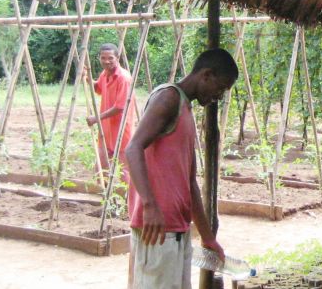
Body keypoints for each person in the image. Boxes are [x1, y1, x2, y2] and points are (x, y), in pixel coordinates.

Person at [125, 48, 238, 289]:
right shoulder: (169, 98)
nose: (218, 96)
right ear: (206, 75)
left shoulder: (184, 109)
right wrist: (149, 204)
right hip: (157, 232)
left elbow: (190, 184)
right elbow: (132, 148)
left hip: (176, 232)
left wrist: (208, 238)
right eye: (220, 88)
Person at [87, 43, 137, 178]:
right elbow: (98, 88)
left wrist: (96, 118)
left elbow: (120, 107)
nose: (106, 61)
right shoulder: (105, 74)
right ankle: (105, 196)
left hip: (121, 131)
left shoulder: (123, 78)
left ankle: (127, 197)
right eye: (103, 58)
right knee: (101, 168)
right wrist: (87, 78)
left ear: (117, 58)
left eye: (110, 58)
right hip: (106, 131)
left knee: (124, 170)